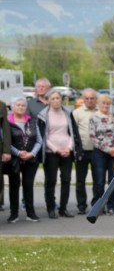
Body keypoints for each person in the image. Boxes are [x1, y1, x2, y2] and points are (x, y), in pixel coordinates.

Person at [37, 90, 81, 219]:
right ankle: (51, 208)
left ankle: (63, 208)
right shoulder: (43, 115)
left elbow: (72, 132)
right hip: (52, 152)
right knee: (51, 181)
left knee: (66, 180)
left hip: (67, 151)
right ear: (48, 101)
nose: (56, 101)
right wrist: (57, 150)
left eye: (58, 98)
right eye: (53, 98)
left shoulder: (67, 113)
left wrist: (68, 147)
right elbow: (44, 136)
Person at [7, 97, 41, 223]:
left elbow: (39, 140)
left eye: (23, 105)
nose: (21, 107)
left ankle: (30, 213)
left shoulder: (32, 121)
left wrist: (32, 153)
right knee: (14, 186)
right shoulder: (7, 122)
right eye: (18, 105)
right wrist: (18, 152)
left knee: (28, 185)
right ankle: (14, 214)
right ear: (12, 107)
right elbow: (5, 142)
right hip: (14, 160)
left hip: (30, 160)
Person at [89, 93, 114, 216]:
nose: (106, 105)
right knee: (100, 181)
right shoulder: (94, 118)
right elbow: (93, 137)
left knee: (113, 181)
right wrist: (108, 149)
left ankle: (111, 206)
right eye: (103, 103)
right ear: (98, 104)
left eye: (108, 103)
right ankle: (98, 205)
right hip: (100, 153)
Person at [71, 88, 98, 214]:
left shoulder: (100, 111)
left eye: (92, 98)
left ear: (95, 99)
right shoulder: (77, 113)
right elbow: (73, 132)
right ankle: (81, 205)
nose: (89, 100)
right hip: (82, 151)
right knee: (80, 180)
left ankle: (96, 204)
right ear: (83, 99)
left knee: (98, 179)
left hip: (97, 151)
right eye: (86, 98)